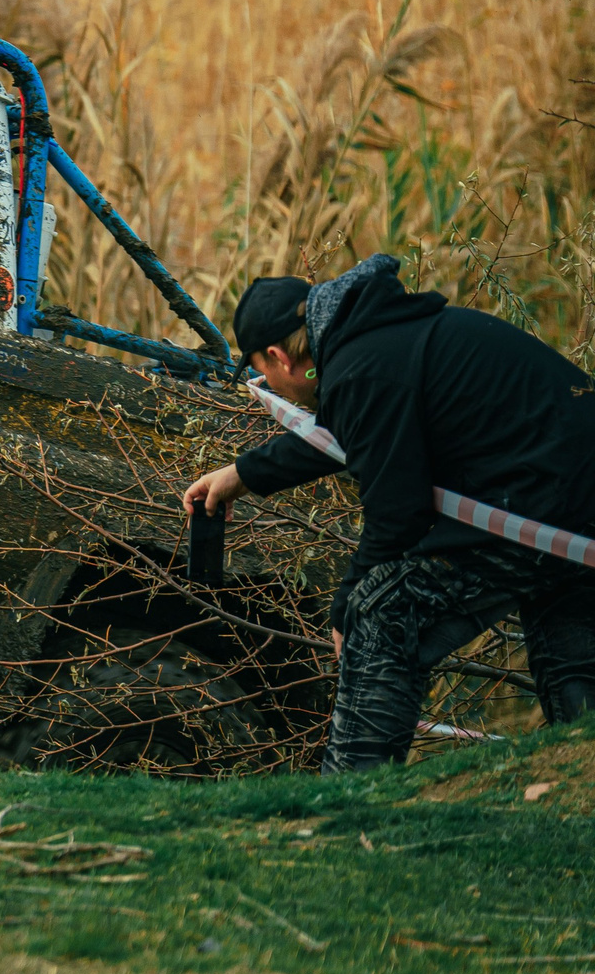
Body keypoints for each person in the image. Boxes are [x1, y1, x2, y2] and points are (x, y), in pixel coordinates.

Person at [183, 254, 595, 770]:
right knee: (571, 656)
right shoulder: (377, 338)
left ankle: (355, 794)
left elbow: (397, 513)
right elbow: (356, 436)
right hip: (575, 504)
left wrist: (346, 605)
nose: (268, 382)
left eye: (260, 370)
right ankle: (579, 782)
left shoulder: (363, 368)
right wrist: (240, 475)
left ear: (278, 357)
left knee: (380, 615)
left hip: (535, 505)